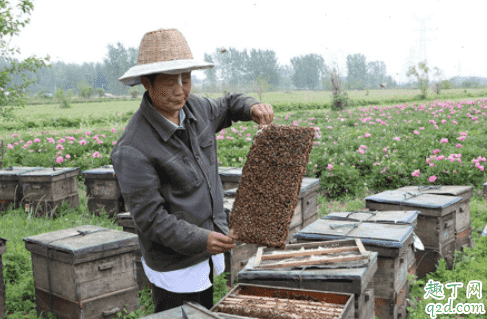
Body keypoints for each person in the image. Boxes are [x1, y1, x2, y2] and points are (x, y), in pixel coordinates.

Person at [111, 28, 274, 313]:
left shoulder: (197, 109)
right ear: (147, 83)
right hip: (175, 269)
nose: (180, 90)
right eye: (169, 82)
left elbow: (228, 103)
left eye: (185, 79)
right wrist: (202, 239)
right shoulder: (133, 148)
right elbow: (151, 219)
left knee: (205, 310)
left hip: (209, 255)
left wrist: (251, 107)